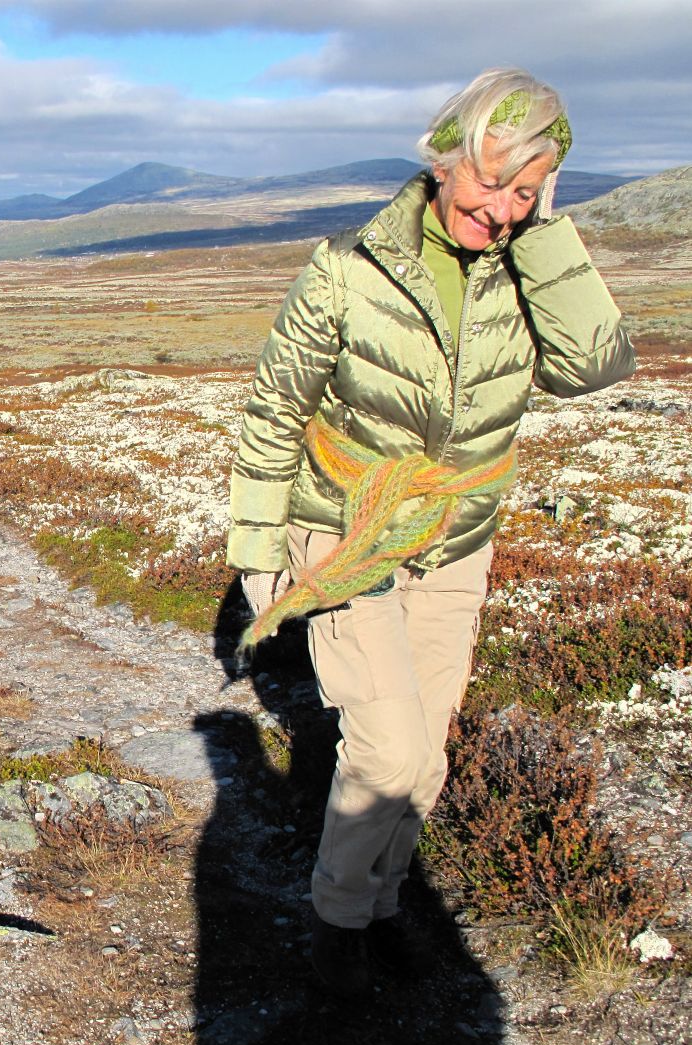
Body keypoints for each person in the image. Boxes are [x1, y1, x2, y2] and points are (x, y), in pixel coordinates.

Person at [226, 67, 636, 997]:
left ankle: (379, 909)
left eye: (526, 189)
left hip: (455, 544)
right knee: (393, 751)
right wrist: (257, 551)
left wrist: (546, 233)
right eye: (492, 181)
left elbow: (595, 364)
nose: (501, 207)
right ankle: (338, 929)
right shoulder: (347, 268)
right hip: (344, 538)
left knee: (432, 745)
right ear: (445, 160)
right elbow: (274, 408)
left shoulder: (525, 266)